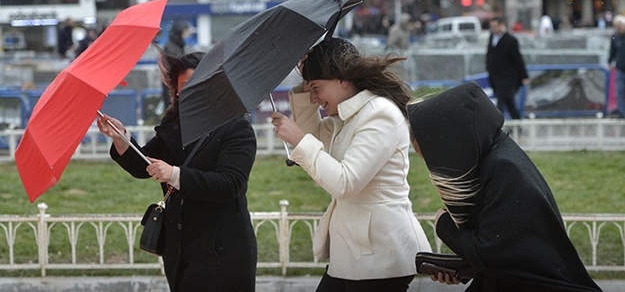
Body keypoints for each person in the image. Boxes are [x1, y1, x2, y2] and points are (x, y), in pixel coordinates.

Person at [407, 82, 603, 292]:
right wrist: (466, 268)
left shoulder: (502, 169)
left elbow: (491, 253)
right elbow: (508, 254)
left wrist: (444, 225)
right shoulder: (493, 156)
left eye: (431, 156)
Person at [271, 37, 432, 292]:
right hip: (352, 255)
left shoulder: (380, 113)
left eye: (316, 87)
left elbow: (345, 182)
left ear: (342, 79)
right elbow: (313, 136)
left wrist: (299, 140)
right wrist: (305, 82)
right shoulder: (346, 116)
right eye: (309, 89)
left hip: (381, 256)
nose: (313, 98)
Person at [96, 50, 258, 292]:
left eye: (199, 83)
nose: (192, 91)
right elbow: (143, 165)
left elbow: (229, 184)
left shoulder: (236, 127)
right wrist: (121, 138)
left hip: (223, 252)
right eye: (184, 86)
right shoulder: (174, 125)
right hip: (180, 251)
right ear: (177, 91)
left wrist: (174, 174)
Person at [486, 17, 529, 119]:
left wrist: (524, 75)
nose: (493, 29)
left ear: (501, 25)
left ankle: (496, 124)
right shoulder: (492, 38)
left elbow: (518, 59)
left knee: (501, 102)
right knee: (509, 103)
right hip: (496, 76)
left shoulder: (511, 40)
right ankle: (517, 123)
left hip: (507, 77)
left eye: (495, 26)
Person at [162, 20, 191, 109]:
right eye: (185, 32)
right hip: (172, 82)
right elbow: (176, 63)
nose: (187, 35)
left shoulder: (178, 45)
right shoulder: (171, 46)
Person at [608, 14, 625, 118]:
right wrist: (609, 62)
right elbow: (612, 52)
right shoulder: (615, 37)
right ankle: (622, 113)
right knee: (619, 91)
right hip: (620, 68)